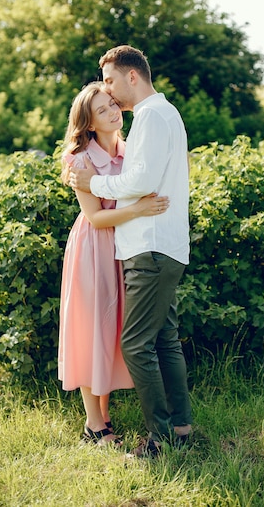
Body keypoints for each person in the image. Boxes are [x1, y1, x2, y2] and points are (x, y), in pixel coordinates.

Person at [69, 46, 192, 457]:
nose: (109, 92)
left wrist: (94, 185)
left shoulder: (152, 118)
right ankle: (180, 429)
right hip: (147, 246)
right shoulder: (159, 116)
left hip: (150, 247)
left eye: (110, 82)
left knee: (138, 344)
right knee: (162, 340)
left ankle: (161, 439)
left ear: (131, 77)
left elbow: (139, 180)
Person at [58, 81, 169, 447]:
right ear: (89, 123)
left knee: (111, 332)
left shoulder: (128, 149)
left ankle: (102, 415)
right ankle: (94, 425)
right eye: (102, 110)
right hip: (93, 249)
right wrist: (138, 208)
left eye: (112, 104)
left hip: (123, 247)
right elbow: (94, 217)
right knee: (91, 332)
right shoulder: (80, 160)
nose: (113, 112)